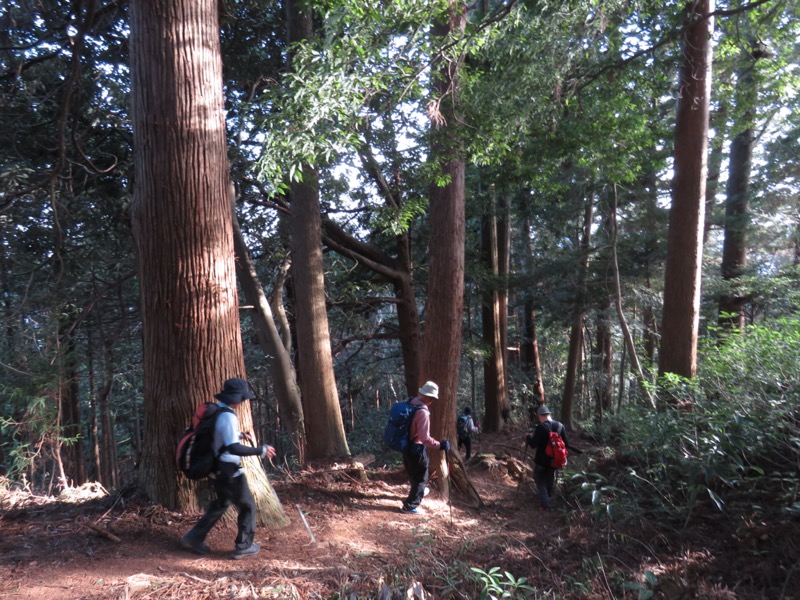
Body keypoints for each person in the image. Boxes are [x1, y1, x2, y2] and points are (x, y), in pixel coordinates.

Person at [180, 377, 276, 559]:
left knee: (222, 504)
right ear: (235, 397)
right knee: (247, 505)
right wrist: (260, 450)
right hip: (229, 471)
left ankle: (193, 537)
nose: (243, 401)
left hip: (216, 470)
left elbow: (222, 437)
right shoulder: (228, 416)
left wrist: (239, 435)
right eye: (242, 397)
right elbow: (232, 447)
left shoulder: (217, 412)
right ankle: (244, 546)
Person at [400, 381, 450, 514]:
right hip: (416, 448)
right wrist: (440, 445)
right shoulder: (423, 412)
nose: (432, 401)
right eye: (433, 399)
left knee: (413, 474)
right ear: (429, 398)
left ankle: (417, 493)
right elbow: (424, 438)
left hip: (405, 445)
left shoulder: (409, 402)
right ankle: (410, 506)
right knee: (421, 478)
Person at [525, 405, 568, 512]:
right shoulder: (560, 426)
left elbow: (533, 444)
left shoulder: (540, 427)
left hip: (541, 460)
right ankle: (546, 503)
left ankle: (546, 505)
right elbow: (566, 443)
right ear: (549, 414)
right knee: (549, 480)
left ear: (540, 416)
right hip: (555, 461)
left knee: (539, 480)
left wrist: (527, 437)